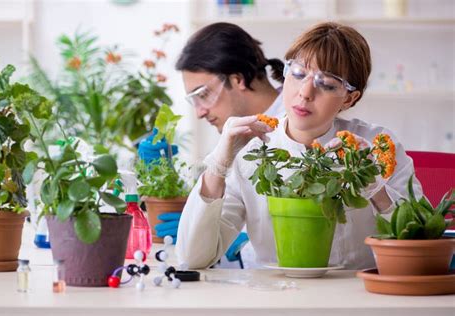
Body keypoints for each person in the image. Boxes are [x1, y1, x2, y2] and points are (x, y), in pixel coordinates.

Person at [175, 22, 423, 270]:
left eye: (326, 84)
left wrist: (375, 187)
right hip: (274, 297)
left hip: (356, 296)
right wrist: (218, 165)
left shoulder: (377, 146)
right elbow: (193, 258)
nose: (305, 92)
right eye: (298, 74)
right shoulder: (248, 150)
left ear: (349, 98)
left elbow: (421, 246)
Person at [150, 22, 287, 267]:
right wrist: (202, 219)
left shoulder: (301, 122)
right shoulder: (237, 138)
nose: (200, 112)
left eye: (203, 94)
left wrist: (246, 244)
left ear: (237, 79)